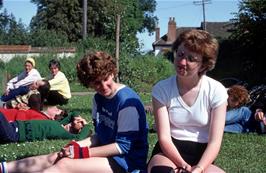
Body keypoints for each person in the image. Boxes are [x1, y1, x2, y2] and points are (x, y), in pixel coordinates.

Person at [1, 51, 148, 173]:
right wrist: (76, 146)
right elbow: (99, 137)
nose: (103, 86)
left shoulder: (126, 102)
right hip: (108, 154)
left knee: (64, 165)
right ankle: (4, 168)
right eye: (96, 83)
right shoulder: (98, 99)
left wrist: (82, 152)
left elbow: (122, 147)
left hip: (128, 163)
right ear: (89, 83)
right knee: (56, 156)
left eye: (106, 78)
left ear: (112, 73)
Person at [147, 29, 228, 173]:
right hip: (168, 153)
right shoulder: (161, 89)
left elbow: (215, 142)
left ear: (203, 65)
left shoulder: (216, 91)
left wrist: (199, 168)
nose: (182, 62)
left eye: (191, 59)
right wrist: (183, 166)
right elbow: (164, 138)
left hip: (202, 155)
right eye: (180, 54)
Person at [0, 111, 90, 144]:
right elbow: (73, 113)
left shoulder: (62, 133)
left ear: (79, 130)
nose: (78, 121)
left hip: (14, 133)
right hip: (13, 125)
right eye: (79, 120)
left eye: (80, 123)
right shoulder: (59, 124)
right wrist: (79, 118)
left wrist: (86, 125)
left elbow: (79, 138)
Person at [0, 105, 66, 122]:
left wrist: (22, 110)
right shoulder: (41, 114)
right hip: (5, 112)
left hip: (4, 117)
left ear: (53, 118)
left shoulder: (42, 119)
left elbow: (21, 123)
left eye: (56, 110)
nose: (54, 107)